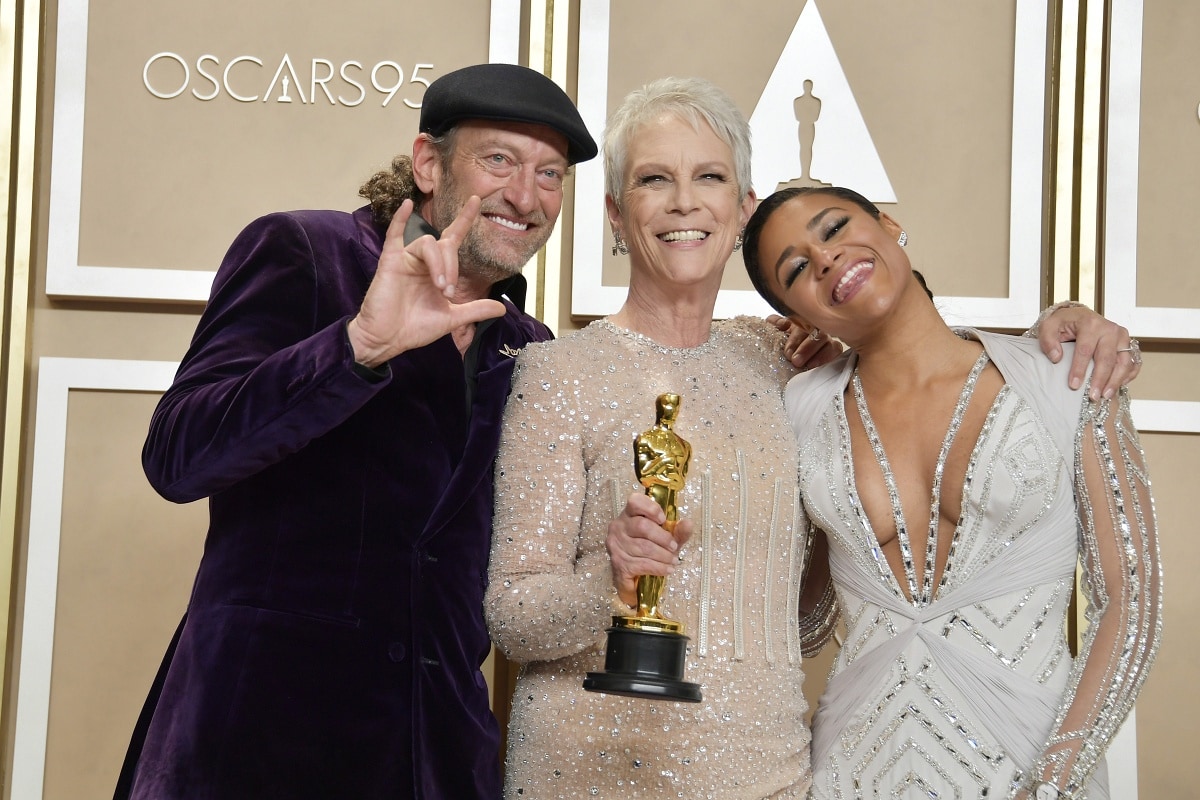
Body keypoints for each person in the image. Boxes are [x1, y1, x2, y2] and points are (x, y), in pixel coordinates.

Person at [483, 76, 1139, 799]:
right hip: (588, 768)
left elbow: (806, 615)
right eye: (653, 180)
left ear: (741, 210)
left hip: (769, 772)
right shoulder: (557, 372)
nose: (683, 201)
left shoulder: (789, 369)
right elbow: (513, 623)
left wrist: (1070, 322)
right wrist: (606, 583)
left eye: (710, 176)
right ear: (614, 211)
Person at [114, 63, 598, 800]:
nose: (526, 197)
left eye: (551, 174)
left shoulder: (533, 351)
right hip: (253, 743)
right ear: (429, 163)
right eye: (498, 159)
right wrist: (355, 349)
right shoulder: (303, 253)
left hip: (436, 758)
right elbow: (178, 458)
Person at [741, 185, 1163, 799]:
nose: (825, 258)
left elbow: (1131, 599)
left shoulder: (1066, 375)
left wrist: (1057, 780)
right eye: (798, 269)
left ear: (888, 223)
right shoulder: (800, 408)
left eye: (834, 229)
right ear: (798, 314)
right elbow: (804, 628)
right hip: (853, 767)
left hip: (1035, 759)